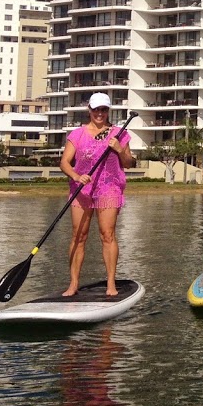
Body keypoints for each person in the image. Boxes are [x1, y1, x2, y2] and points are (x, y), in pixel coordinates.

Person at [59, 92, 135, 296]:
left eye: (104, 109)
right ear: (89, 110)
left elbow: (129, 163)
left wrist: (120, 149)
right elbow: (64, 162)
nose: (100, 113)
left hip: (109, 188)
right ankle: (73, 284)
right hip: (81, 189)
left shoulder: (119, 133)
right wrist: (76, 176)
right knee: (78, 236)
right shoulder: (77, 134)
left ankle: (111, 284)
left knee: (107, 234)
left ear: (108, 111)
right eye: (96, 109)